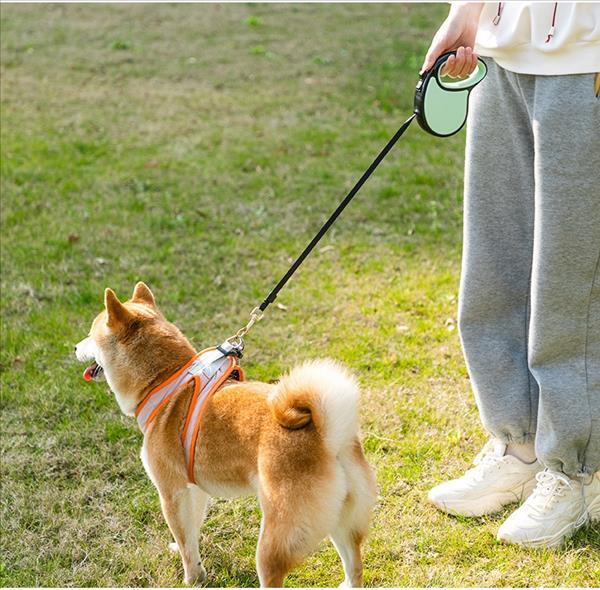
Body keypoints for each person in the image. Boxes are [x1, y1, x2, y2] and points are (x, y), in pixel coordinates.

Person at [423, 1, 600, 548]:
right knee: (496, 265)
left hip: (585, 54)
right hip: (504, 49)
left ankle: (578, 469)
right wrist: (466, 12)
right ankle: (519, 443)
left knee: (572, 278)